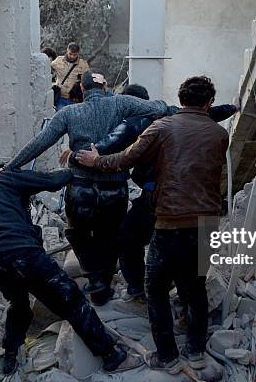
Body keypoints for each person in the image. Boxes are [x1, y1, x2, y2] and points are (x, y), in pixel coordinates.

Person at [76, 76, 229, 374]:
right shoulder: (218, 134)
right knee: (195, 287)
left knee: (155, 288)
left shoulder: (161, 127)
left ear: (180, 99)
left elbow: (125, 158)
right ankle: (196, 352)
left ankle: (168, 357)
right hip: (207, 222)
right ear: (209, 102)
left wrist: (96, 161)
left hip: (171, 220)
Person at [5, 71, 173, 306]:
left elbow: (40, 143)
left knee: (77, 233)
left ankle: (95, 280)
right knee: (110, 237)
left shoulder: (69, 112)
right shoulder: (121, 103)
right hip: (114, 188)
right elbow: (158, 109)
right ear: (104, 88)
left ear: (82, 90)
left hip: (80, 188)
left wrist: (9, 167)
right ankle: (103, 286)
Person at [0, 167, 141, 375]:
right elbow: (52, 180)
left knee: (19, 306)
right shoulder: (7, 176)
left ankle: (10, 359)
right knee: (72, 300)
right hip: (23, 254)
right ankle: (112, 357)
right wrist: (76, 168)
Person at [68, 83, 236, 303]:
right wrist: (234, 107)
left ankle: (139, 291)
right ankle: (188, 308)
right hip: (203, 204)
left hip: (160, 198)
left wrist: (79, 156)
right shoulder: (185, 118)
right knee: (194, 267)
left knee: (128, 238)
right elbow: (212, 112)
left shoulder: (136, 122)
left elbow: (119, 154)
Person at [51, 42, 89, 110]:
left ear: (78, 53)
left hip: (74, 99)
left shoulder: (83, 64)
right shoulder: (58, 60)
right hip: (60, 98)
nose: (72, 56)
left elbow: (88, 80)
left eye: (75, 55)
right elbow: (48, 68)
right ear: (67, 51)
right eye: (70, 54)